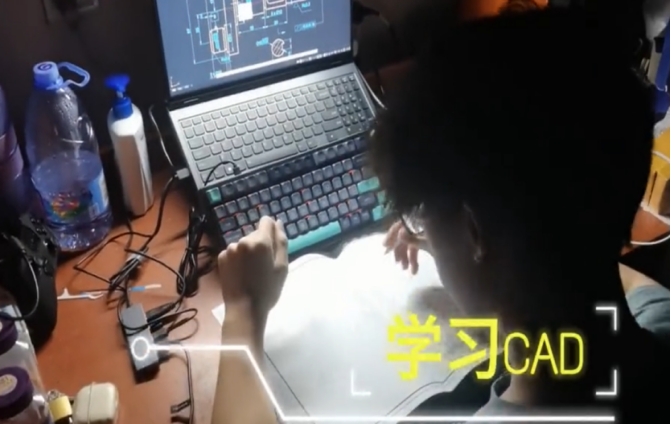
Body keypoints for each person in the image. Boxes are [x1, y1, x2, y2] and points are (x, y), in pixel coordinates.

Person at [210, 7, 670, 424]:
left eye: (421, 214)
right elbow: (585, 247)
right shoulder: (660, 321)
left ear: (474, 231)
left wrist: (244, 311)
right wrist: (485, 241)